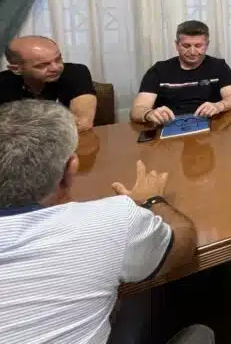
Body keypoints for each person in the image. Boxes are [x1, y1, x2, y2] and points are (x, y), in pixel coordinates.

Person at [0, 100, 211, 344]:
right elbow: (182, 245)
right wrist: (152, 200)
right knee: (201, 334)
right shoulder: (111, 218)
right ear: (72, 168)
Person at [130, 20, 231, 126]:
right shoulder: (158, 70)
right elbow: (137, 110)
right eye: (186, 46)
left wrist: (219, 106)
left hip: (212, 126)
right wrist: (149, 114)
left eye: (198, 46)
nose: (192, 52)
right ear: (177, 45)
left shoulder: (219, 66)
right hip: (170, 127)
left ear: (207, 45)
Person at [0, 36, 97, 132]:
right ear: (16, 69)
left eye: (58, 59)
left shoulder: (75, 72)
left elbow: (82, 122)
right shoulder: (3, 82)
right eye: (42, 65)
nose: (55, 68)